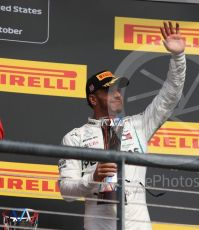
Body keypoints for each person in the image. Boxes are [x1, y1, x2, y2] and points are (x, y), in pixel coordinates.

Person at [58, 21, 186, 230]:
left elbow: (170, 96)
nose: (117, 94)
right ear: (93, 99)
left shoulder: (139, 125)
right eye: (109, 90)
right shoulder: (75, 137)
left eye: (118, 89)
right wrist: (93, 177)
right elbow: (66, 191)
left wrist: (178, 57)